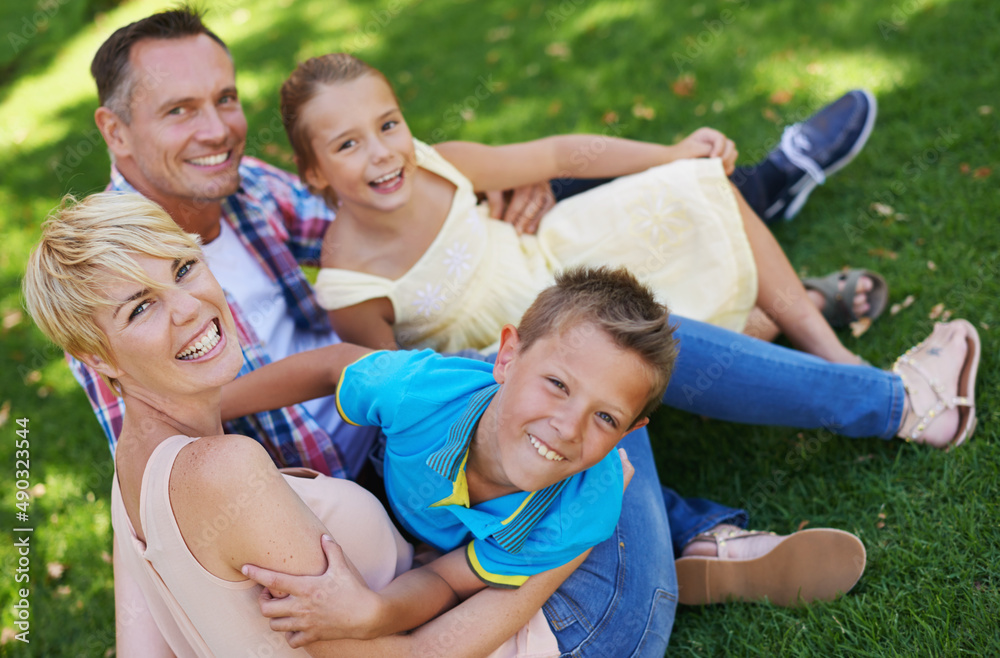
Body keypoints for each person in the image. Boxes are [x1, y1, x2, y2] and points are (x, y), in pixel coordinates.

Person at [64, 6, 979, 649]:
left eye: (225, 98)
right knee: (603, 358)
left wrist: (491, 208)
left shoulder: (248, 182)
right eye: (179, 110)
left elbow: (385, 219)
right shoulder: (117, 282)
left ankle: (755, 202)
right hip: (379, 478)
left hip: (412, 396)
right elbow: (151, 469)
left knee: (552, 233)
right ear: (116, 131)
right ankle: (883, 400)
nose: (218, 127)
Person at [24, 192, 582, 656]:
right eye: (140, 307)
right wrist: (569, 549)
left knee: (553, 394)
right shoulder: (224, 470)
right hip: (528, 638)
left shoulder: (131, 473)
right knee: (589, 407)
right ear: (97, 358)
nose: (190, 307)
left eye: (184, 268)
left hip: (446, 595)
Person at [288, 53, 874, 365]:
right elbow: (401, 387)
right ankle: (809, 298)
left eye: (388, 124)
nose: (383, 153)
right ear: (314, 172)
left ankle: (829, 349)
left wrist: (668, 155)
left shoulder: (438, 162)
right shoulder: (351, 285)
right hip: (525, 353)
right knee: (667, 345)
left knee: (693, 184)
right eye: (347, 144)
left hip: (559, 261)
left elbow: (556, 152)